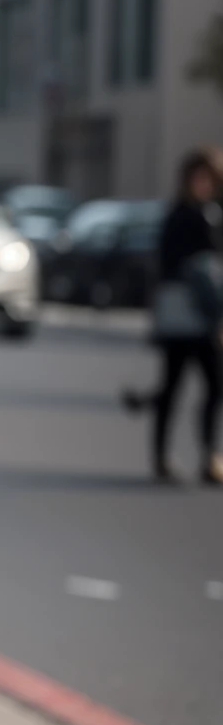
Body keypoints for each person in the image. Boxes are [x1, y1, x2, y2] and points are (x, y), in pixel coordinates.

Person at [146, 149, 223, 483]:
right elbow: (176, 266)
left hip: (204, 318)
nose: (202, 184)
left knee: (215, 386)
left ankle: (209, 456)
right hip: (185, 317)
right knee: (172, 388)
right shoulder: (181, 216)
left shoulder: (213, 214)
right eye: (198, 177)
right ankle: (161, 456)